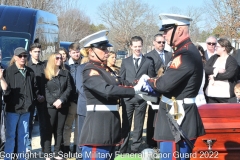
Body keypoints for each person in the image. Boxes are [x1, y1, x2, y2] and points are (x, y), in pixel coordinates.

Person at [143, 14, 205, 160]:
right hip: (176, 116)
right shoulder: (183, 51)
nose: (164, 35)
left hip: (177, 119)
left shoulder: (186, 54)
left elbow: (165, 84)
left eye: (167, 31)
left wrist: (150, 82)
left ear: (180, 30)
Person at [78, 30, 139, 160]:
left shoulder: (106, 70)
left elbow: (123, 83)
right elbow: (107, 90)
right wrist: (135, 91)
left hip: (111, 129)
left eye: (106, 48)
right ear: (90, 51)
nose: (106, 51)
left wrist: (143, 83)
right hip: (98, 131)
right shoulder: (90, 70)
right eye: (102, 48)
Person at [119, 36, 155, 153]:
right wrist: (130, 84)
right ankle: (123, 148)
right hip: (128, 98)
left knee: (139, 125)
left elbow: (151, 80)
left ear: (142, 46)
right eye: (135, 46)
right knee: (126, 124)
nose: (137, 49)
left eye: (139, 46)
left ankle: (135, 149)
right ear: (131, 47)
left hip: (141, 99)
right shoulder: (125, 61)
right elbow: (121, 78)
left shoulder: (148, 62)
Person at [3, 47, 38, 160]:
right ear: (15, 57)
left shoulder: (30, 71)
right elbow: (6, 90)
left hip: (26, 110)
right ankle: (8, 158)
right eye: (20, 56)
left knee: (23, 136)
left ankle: (21, 158)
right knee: (10, 136)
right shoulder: (8, 71)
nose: (23, 58)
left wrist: (33, 101)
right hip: (12, 110)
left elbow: (34, 88)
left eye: (24, 56)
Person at [145, 33, 172, 148]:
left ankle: (164, 139)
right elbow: (148, 74)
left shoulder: (170, 55)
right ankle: (151, 141)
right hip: (155, 90)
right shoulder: (148, 56)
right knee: (152, 116)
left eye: (163, 42)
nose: (162, 44)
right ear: (154, 42)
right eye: (159, 42)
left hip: (168, 91)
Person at [44, 53, 72, 159]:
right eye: (57, 58)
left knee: (59, 130)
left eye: (61, 58)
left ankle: (57, 152)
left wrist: (61, 100)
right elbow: (45, 89)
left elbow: (69, 88)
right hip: (50, 106)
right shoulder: (46, 73)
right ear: (52, 60)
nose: (60, 59)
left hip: (63, 105)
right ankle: (47, 152)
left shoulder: (66, 73)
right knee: (49, 129)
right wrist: (54, 102)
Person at [205, 38, 239, 103]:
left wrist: (214, 77)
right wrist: (216, 69)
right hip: (211, 94)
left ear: (224, 48)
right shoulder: (214, 57)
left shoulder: (231, 60)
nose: (215, 48)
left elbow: (229, 74)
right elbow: (206, 68)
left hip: (224, 95)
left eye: (217, 46)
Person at [27, 43, 47, 151]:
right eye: (35, 51)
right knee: (28, 124)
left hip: (42, 99)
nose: (37, 53)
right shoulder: (27, 66)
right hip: (30, 98)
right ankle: (27, 147)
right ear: (30, 52)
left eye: (39, 51)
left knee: (43, 124)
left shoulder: (43, 65)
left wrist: (42, 96)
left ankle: (44, 146)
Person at [63, 43, 81, 153]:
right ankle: (66, 147)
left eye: (77, 52)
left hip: (81, 100)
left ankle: (76, 147)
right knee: (68, 126)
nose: (76, 54)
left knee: (79, 126)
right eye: (74, 52)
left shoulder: (83, 65)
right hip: (70, 101)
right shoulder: (65, 66)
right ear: (69, 53)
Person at [75, 48, 89, 159]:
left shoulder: (102, 68)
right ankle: (80, 155)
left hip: (97, 108)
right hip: (84, 105)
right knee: (82, 133)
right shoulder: (81, 68)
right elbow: (80, 87)